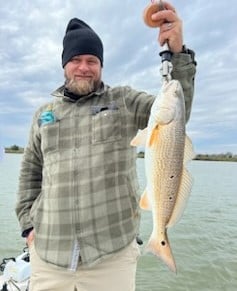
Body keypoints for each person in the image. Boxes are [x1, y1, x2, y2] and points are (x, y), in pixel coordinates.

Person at [15, 2, 196, 291]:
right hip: (48, 254)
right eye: (76, 59)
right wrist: (27, 224)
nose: (84, 67)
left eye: (92, 60)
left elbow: (176, 114)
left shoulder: (124, 100)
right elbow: (29, 174)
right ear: (64, 64)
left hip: (112, 257)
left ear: (101, 65)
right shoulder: (43, 114)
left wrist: (177, 55)